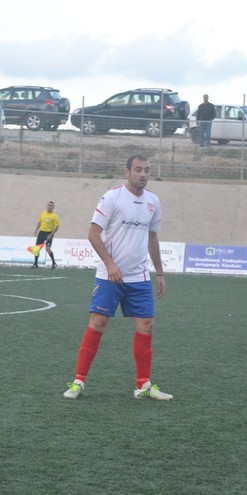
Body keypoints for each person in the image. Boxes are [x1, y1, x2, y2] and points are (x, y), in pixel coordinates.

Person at [63, 155, 172, 401]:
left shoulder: (153, 201)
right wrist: (110, 264)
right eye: (138, 169)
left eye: (147, 170)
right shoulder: (112, 197)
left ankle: (143, 385)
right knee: (98, 323)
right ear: (127, 172)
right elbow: (93, 233)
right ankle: (78, 382)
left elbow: (152, 238)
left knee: (146, 325)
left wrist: (160, 273)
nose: (143, 174)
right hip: (109, 277)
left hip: (139, 277)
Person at [32, 200, 60, 269]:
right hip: (41, 232)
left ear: (53, 207)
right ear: (47, 206)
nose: (49, 207)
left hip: (49, 233)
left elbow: (56, 227)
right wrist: (36, 230)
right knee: (36, 249)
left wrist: (50, 235)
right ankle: (35, 264)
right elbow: (39, 222)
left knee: (48, 249)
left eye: (51, 206)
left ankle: (54, 263)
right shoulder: (43, 213)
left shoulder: (54, 216)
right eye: (49, 205)